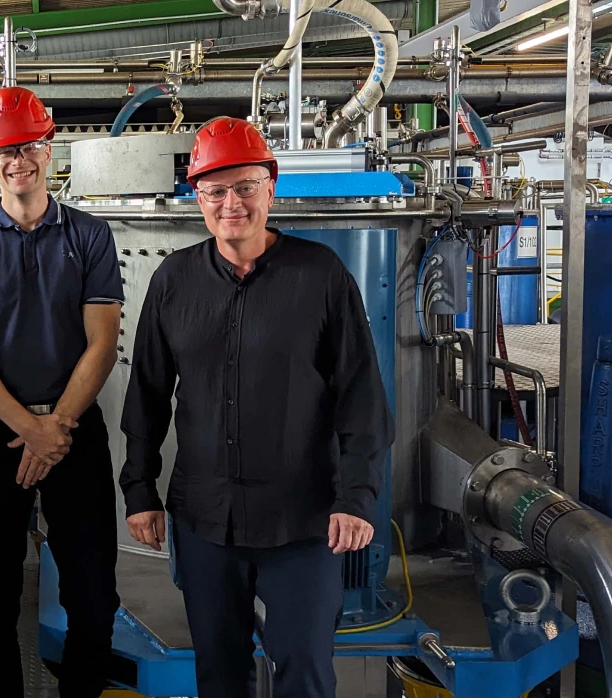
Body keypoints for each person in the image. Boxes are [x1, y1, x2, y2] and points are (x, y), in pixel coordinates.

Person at [119, 117, 393, 698]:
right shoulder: (174, 280)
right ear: (198, 198)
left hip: (303, 521)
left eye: (245, 187)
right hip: (205, 523)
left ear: (270, 187)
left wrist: (358, 498)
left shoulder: (321, 275)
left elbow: (362, 396)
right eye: (215, 191)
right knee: (220, 676)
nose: (231, 203)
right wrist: (139, 490)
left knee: (305, 672)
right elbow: (145, 392)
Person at [0, 86, 123, 698]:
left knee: (94, 593)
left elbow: (103, 343)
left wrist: (55, 427)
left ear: (50, 149)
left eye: (31, 146)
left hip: (73, 434)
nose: (20, 160)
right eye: (6, 150)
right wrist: (29, 427)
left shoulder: (91, 236)